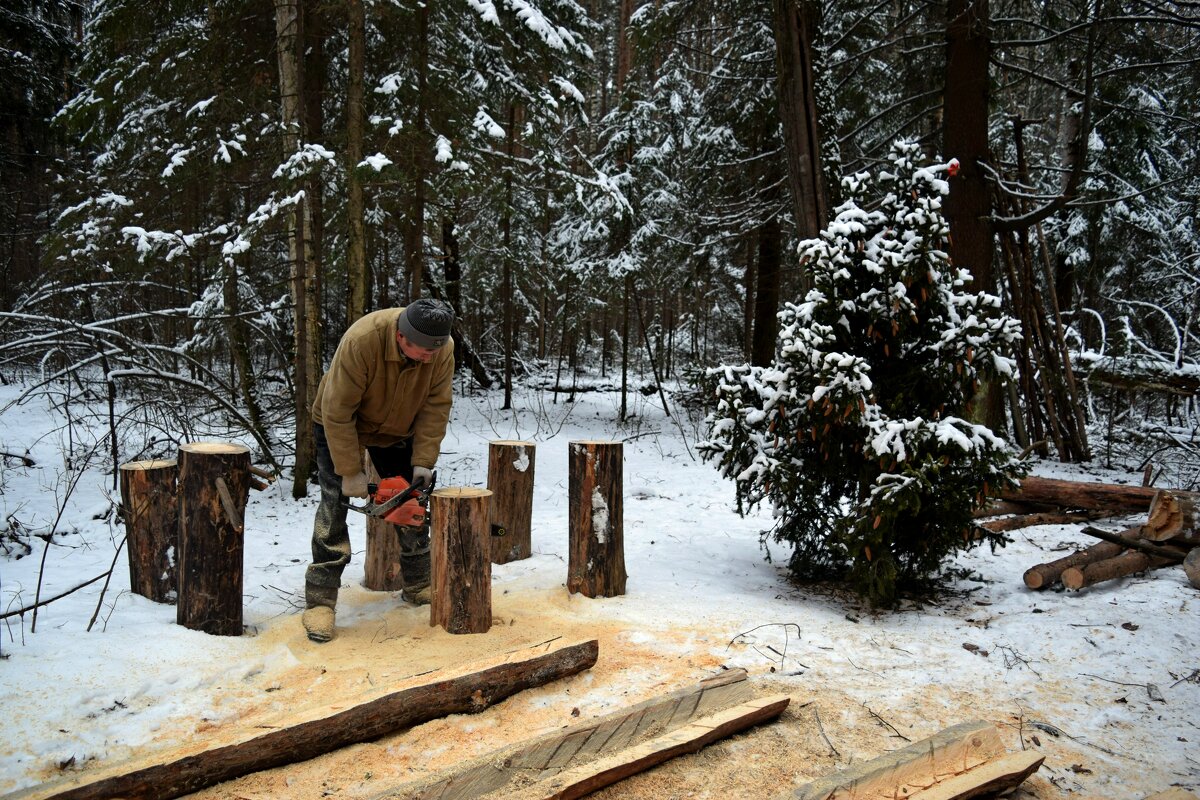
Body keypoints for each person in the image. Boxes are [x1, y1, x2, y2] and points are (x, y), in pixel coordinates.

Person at [301, 299, 455, 643]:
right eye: (423, 352)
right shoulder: (362, 341)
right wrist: (350, 472)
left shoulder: (442, 349)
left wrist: (423, 461)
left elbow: (436, 406)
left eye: (436, 351)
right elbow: (338, 411)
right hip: (339, 423)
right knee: (333, 505)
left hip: (398, 429)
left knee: (410, 501)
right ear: (401, 337)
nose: (430, 358)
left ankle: (418, 583)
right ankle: (320, 601)